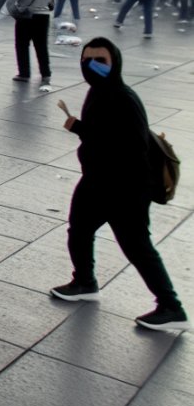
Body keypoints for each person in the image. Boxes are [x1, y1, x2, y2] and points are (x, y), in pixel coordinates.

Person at [51, 39, 188, 330]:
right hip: (98, 182)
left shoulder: (122, 97)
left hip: (124, 188)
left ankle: (171, 307)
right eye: (86, 60)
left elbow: (130, 146)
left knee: (137, 246)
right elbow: (103, 134)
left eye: (99, 59)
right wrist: (83, 130)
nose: (91, 65)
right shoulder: (99, 92)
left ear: (115, 63)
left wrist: (81, 130)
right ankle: (85, 282)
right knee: (79, 229)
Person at [7, 0, 55, 85]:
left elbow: (10, 2)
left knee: (22, 46)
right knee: (42, 46)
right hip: (43, 18)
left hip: (26, 18)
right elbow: (52, 4)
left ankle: (24, 74)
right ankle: (46, 74)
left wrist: (16, 15)